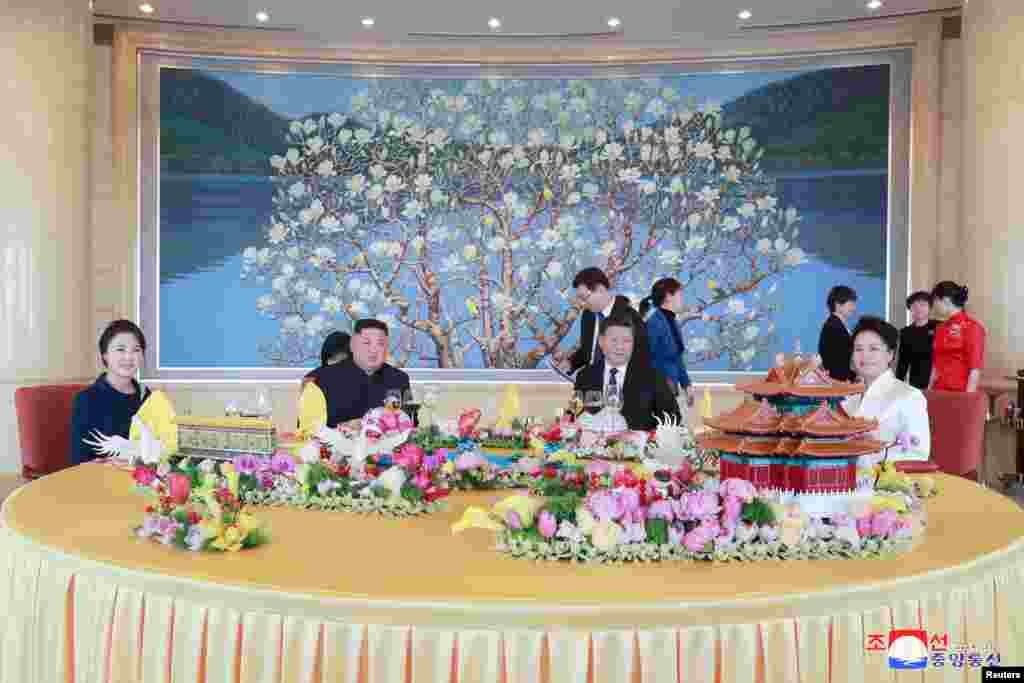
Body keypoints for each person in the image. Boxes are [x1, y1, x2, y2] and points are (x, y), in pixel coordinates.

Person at [842, 316, 930, 463]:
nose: (865, 355)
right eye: (858, 349)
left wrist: (872, 450)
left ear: (890, 354)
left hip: (882, 482)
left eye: (873, 349)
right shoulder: (848, 398)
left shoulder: (910, 396)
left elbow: (918, 454)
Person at [573, 315, 679, 431]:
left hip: (638, 446)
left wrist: (647, 438)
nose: (620, 347)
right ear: (601, 341)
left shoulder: (653, 376)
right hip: (594, 446)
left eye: (627, 341)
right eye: (614, 340)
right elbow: (577, 414)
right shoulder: (585, 376)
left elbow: (673, 417)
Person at [70, 320, 151, 465]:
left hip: (142, 483)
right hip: (100, 482)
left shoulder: (146, 397)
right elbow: (79, 462)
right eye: (121, 349)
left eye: (136, 350)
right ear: (105, 355)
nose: (129, 357)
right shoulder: (87, 400)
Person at [313, 319, 411, 428]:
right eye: (366, 343)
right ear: (352, 345)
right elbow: (308, 428)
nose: (373, 350)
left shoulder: (399, 378)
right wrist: (343, 427)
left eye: (380, 344)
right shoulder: (325, 377)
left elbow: (409, 423)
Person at [560, 267, 648, 375]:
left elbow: (641, 357)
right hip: (590, 383)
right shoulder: (588, 315)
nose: (582, 304)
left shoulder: (630, 317)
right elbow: (589, 350)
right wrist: (571, 363)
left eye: (584, 298)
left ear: (600, 289)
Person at [639, 277, 695, 409]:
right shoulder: (654, 322)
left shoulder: (671, 320)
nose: (682, 299)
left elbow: (676, 357)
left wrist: (686, 385)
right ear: (669, 296)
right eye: (680, 295)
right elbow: (646, 359)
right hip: (656, 393)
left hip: (669, 389)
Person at [929, 281, 986, 392]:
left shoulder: (973, 327)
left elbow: (974, 369)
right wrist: (929, 391)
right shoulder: (940, 328)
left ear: (946, 300)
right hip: (938, 391)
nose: (933, 305)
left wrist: (966, 401)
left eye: (935, 300)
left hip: (960, 393)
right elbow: (935, 367)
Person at [895, 291, 939, 390]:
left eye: (923, 305)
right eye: (914, 306)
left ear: (930, 308)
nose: (918, 309)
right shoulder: (905, 332)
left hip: (938, 382)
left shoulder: (940, 327)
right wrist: (898, 385)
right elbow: (903, 362)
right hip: (916, 382)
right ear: (910, 309)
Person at [817, 285, 858, 382]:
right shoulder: (834, 327)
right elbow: (840, 360)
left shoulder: (835, 325)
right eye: (851, 304)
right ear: (838, 305)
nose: (854, 308)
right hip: (839, 384)